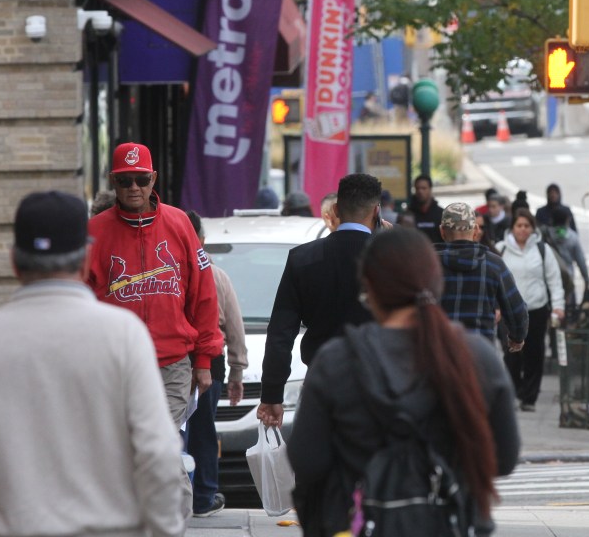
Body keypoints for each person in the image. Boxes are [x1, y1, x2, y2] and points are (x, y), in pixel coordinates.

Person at [0, 191, 184, 537]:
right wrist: (164, 529)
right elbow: (158, 454)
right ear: (87, 258)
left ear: (14, 261)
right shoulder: (123, 334)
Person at [288, 228, 520, 536]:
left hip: (356, 523)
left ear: (369, 288)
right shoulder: (477, 356)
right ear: (436, 283)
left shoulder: (336, 361)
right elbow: (503, 458)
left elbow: (306, 461)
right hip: (453, 523)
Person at [88, 143, 223, 427]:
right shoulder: (95, 231)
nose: (134, 187)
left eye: (142, 179)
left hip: (172, 365)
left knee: (159, 443)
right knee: (133, 451)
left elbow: (204, 296)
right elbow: (80, 300)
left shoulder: (180, 223)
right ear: (114, 181)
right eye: (125, 180)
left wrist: (203, 360)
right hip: (115, 367)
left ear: (154, 179)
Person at [257, 173, 383, 428]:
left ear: (336, 209)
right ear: (377, 211)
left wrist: (272, 393)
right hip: (378, 385)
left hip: (322, 384)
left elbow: (281, 332)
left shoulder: (303, 259)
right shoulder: (393, 259)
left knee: (319, 463)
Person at [184, 210, 249, 518]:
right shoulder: (215, 274)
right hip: (209, 363)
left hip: (195, 360)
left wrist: (236, 370)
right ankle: (202, 496)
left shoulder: (175, 273)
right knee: (202, 429)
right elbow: (235, 329)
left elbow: (234, 329)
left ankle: (191, 495)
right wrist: (237, 371)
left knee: (179, 430)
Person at [496, 210, 565, 412]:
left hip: (536, 309)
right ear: (512, 228)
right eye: (519, 226)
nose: (523, 230)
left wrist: (558, 306)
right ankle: (515, 390)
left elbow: (554, 280)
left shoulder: (543, 250)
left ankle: (529, 397)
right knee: (511, 355)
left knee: (534, 353)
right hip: (509, 312)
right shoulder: (501, 250)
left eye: (527, 226)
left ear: (533, 229)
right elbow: (494, 281)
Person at [435, 202, 528, 348]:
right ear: (476, 231)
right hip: (481, 354)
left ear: (442, 231)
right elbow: (516, 308)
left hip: (441, 353)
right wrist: (517, 337)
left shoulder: (428, 264)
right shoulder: (493, 264)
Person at [548, 206, 589, 305]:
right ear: (567, 220)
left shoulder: (546, 235)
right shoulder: (572, 237)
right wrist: (586, 280)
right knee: (568, 308)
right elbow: (581, 261)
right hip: (568, 279)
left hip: (549, 277)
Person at [407, 174, 445, 244]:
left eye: (423, 188)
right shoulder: (408, 214)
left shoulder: (441, 214)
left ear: (430, 189)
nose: (420, 191)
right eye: (417, 188)